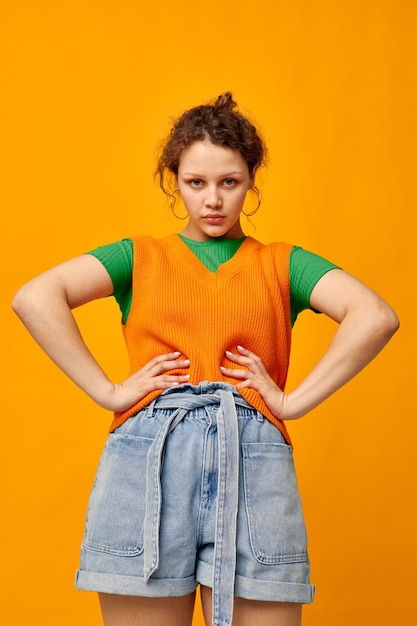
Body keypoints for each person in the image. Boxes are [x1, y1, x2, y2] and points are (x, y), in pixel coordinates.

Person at [12, 92, 399, 626]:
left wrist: (292, 401)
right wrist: (110, 392)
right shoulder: (140, 257)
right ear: (174, 182)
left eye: (229, 182)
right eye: (196, 183)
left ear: (250, 181)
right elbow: (34, 297)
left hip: (252, 463)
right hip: (150, 461)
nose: (212, 199)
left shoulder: (281, 264)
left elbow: (374, 315)